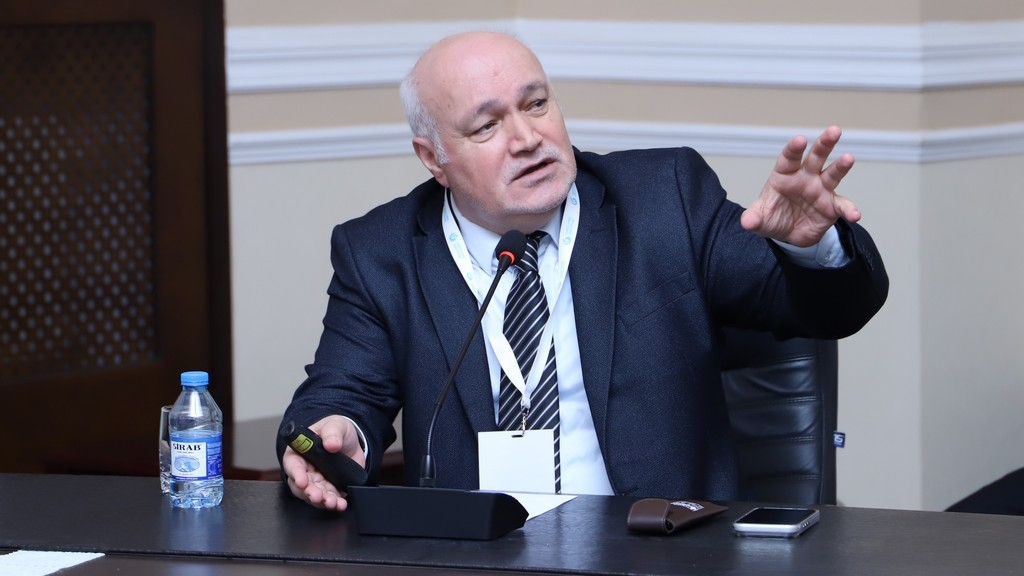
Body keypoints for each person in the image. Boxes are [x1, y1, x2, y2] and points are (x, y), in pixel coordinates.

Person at [277, 31, 889, 511]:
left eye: (536, 104)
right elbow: (343, 393)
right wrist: (336, 432)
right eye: (487, 125)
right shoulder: (380, 252)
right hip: (475, 559)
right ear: (433, 158)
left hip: (662, 553)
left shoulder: (664, 200)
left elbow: (827, 309)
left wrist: (813, 246)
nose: (527, 137)